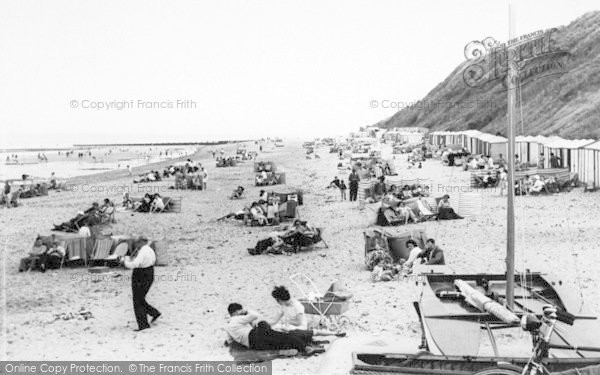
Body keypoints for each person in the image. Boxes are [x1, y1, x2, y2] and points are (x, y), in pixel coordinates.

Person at [224, 303, 318, 356]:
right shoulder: (236, 318)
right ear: (236, 312)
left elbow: (229, 341)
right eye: (240, 311)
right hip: (255, 335)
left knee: (279, 341)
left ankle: (302, 347)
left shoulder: (227, 326)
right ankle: (306, 347)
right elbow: (255, 315)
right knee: (282, 335)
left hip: (254, 345)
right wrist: (246, 311)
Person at [120, 237, 161, 331]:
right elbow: (153, 261)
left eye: (136, 243)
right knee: (140, 299)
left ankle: (143, 324)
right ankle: (154, 313)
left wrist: (124, 263)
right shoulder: (149, 249)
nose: (135, 245)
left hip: (141, 275)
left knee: (137, 301)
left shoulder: (143, 251)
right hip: (150, 272)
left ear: (140, 242)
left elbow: (135, 264)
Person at [270, 286, 344, 337]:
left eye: (277, 299)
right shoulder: (283, 306)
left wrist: (287, 321)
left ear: (280, 299)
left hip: (299, 327)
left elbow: (299, 322)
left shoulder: (297, 306)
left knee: (281, 330)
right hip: (289, 326)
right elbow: (274, 321)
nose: (277, 301)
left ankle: (333, 333)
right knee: (275, 328)